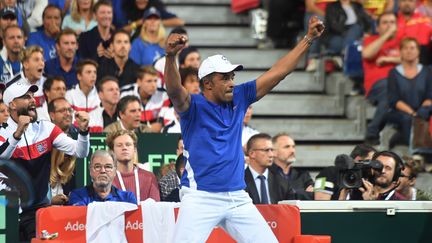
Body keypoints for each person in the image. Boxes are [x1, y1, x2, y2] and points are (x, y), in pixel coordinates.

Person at [164, 16, 324, 242]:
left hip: (238, 197)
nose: (231, 82)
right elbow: (173, 89)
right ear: (207, 84)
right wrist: (170, 56)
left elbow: (278, 72)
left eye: (232, 76)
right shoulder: (192, 105)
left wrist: (308, 39)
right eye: (224, 78)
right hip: (200, 197)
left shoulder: (239, 96)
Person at [0, 81, 90, 240]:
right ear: (12, 104)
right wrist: (18, 133)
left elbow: (80, 152)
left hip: (40, 211)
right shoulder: (2, 132)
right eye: (26, 97)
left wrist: (84, 132)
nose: (32, 100)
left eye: (33, 95)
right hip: (8, 212)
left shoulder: (46, 129)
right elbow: (3, 157)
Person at [363, 12, 401, 145]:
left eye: (392, 22)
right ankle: (372, 132)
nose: (389, 26)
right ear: (377, 27)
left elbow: (415, 58)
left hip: (403, 83)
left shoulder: (403, 41)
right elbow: (367, 54)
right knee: (389, 89)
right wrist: (386, 35)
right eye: (385, 23)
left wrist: (389, 59)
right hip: (378, 85)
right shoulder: (371, 40)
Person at [387, 37, 432, 147]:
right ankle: (414, 150)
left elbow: (429, 96)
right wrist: (412, 113)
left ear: (418, 52)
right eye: (405, 48)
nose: (409, 51)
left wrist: (420, 112)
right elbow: (394, 100)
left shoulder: (427, 71)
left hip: (423, 109)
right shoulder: (394, 73)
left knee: (424, 115)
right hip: (401, 111)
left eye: (412, 48)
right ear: (400, 52)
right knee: (408, 119)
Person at [107, 130, 160, 202]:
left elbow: (155, 208)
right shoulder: (107, 179)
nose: (124, 148)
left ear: (134, 149)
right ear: (112, 151)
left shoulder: (149, 177)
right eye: (119, 145)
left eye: (128, 144)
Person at [69, 149, 137, 205]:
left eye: (108, 167)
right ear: (90, 170)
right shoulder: (78, 195)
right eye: (97, 167)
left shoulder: (127, 198)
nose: (103, 171)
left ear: (115, 171)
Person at [244, 133, 296, 204]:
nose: (271, 155)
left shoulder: (282, 182)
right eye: (266, 150)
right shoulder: (239, 181)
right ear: (252, 153)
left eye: (272, 150)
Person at [339, 150, 406, 200]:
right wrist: (342, 199)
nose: (382, 171)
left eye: (388, 168)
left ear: (396, 173)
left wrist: (371, 205)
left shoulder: (401, 202)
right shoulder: (356, 193)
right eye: (379, 167)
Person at [120, 65, 170, 132]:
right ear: (139, 82)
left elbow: (159, 125)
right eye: (149, 81)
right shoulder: (124, 93)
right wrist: (148, 128)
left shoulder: (163, 95)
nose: (153, 85)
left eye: (155, 81)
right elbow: (123, 121)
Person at [271, 133, 314, 200]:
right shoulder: (266, 174)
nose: (292, 151)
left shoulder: (303, 175)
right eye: (287, 147)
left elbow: (313, 196)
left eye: (293, 147)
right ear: (273, 152)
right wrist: (302, 193)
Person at [65, 59, 101, 130]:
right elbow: (68, 118)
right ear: (79, 76)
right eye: (88, 72)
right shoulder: (69, 95)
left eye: (95, 72)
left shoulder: (101, 95)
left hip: (97, 133)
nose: (93, 75)